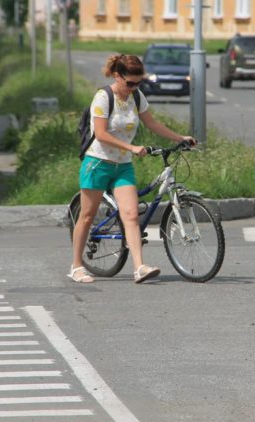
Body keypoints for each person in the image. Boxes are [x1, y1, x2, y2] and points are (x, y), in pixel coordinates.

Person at [70, 54, 196, 284]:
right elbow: (101, 134)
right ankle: (77, 266)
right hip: (97, 164)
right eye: (130, 83)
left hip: (122, 166)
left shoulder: (136, 97)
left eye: (139, 83)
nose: (134, 87)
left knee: (130, 215)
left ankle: (139, 267)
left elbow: (152, 123)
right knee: (87, 217)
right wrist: (131, 146)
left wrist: (180, 137)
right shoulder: (103, 97)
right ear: (117, 76)